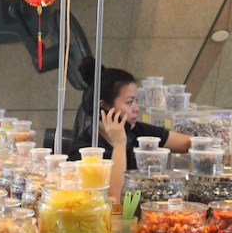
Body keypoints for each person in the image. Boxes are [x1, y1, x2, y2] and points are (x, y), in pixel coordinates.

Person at [69, 57, 190, 200]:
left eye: (136, 101)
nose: (136, 108)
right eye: (129, 102)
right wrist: (119, 144)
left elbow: (187, 143)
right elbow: (115, 199)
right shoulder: (83, 151)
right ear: (104, 107)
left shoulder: (137, 131)